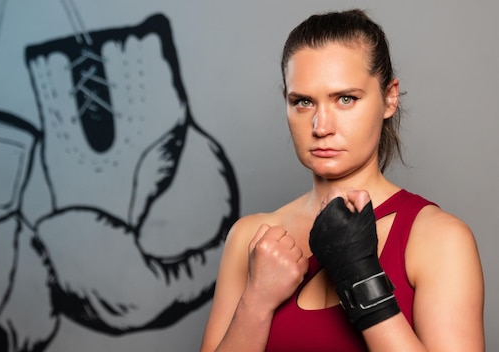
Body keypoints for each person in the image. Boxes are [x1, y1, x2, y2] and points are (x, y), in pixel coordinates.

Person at [200, 8, 484, 352]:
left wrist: (361, 278)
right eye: (303, 102)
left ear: (389, 98)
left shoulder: (438, 239)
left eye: (345, 99)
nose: (321, 127)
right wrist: (256, 301)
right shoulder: (251, 238)